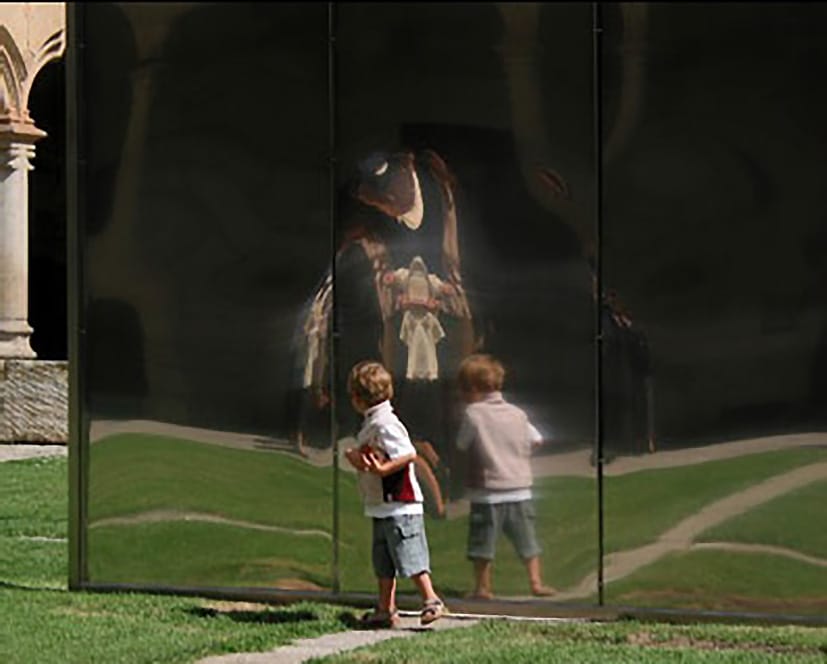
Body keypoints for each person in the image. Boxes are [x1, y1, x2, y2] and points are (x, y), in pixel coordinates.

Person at [343, 360, 447, 628]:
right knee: (384, 561)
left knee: (408, 554)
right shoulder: (373, 421)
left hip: (400, 504)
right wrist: (358, 458)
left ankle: (431, 599)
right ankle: (385, 609)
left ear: (357, 398)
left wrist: (382, 469)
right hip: (381, 505)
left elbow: (407, 453)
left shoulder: (386, 422)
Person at [455, 354, 555, 599]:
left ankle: (483, 588)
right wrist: (517, 456)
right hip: (520, 486)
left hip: (487, 491)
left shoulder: (473, 414)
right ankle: (536, 582)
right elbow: (537, 439)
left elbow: (462, 444)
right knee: (527, 539)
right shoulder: (517, 413)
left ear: (473, 389)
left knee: (482, 542)